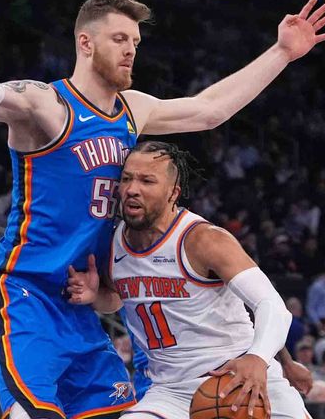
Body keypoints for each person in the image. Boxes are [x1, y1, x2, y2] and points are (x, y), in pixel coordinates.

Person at [0, 0, 325, 416]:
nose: (131, 50)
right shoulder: (46, 104)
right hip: (28, 292)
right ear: (85, 43)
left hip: (81, 301)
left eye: (135, 41)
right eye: (119, 39)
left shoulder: (133, 109)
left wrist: (282, 52)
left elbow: (210, 110)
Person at [65, 141, 310, 418]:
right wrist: (95, 296)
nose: (132, 189)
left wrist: (260, 357)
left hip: (242, 374)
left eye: (147, 181)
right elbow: (117, 299)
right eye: (126, 179)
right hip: (171, 391)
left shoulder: (204, 240)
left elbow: (271, 305)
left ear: (173, 193)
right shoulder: (112, 244)